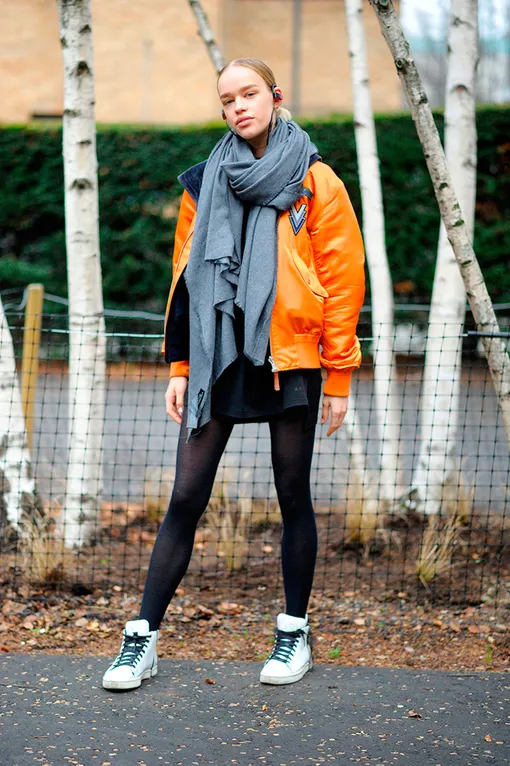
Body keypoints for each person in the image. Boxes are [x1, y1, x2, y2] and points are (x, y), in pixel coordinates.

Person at [102, 58, 365, 692]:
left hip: (288, 356)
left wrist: (339, 376)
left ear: (275, 96)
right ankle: (141, 638)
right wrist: (181, 366)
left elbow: (341, 280)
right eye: (228, 99)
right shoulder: (203, 181)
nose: (239, 106)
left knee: (292, 494)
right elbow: (185, 277)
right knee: (185, 497)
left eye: (249, 93)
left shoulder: (316, 180)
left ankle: (294, 632)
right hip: (216, 354)